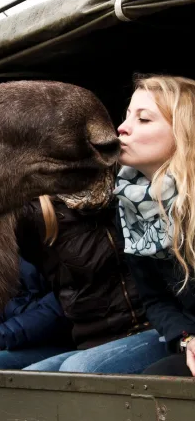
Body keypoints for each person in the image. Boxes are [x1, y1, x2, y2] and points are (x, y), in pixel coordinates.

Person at [18, 167, 168, 374]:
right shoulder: (36, 211)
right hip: (92, 341)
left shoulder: (124, 182)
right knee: (29, 381)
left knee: (76, 370)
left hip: (146, 327)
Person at [113, 75, 195, 377]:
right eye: (126, 116)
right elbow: (155, 298)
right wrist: (187, 339)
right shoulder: (129, 204)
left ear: (183, 132)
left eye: (144, 119)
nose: (122, 127)